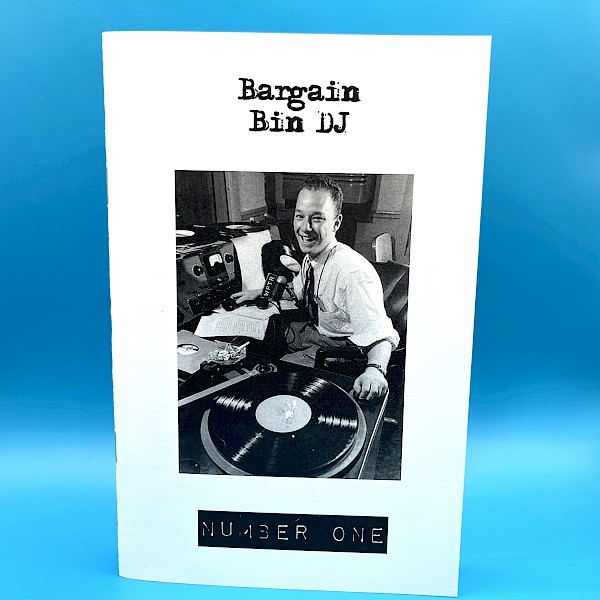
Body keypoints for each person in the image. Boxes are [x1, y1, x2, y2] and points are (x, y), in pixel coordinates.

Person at [232, 175, 399, 401]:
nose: (305, 228)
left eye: (317, 218)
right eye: (300, 216)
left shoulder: (352, 273)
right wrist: (260, 292)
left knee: (277, 374)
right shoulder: (312, 257)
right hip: (316, 332)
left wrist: (375, 370)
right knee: (256, 339)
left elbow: (381, 335)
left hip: (342, 348)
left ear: (336, 223)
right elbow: (297, 290)